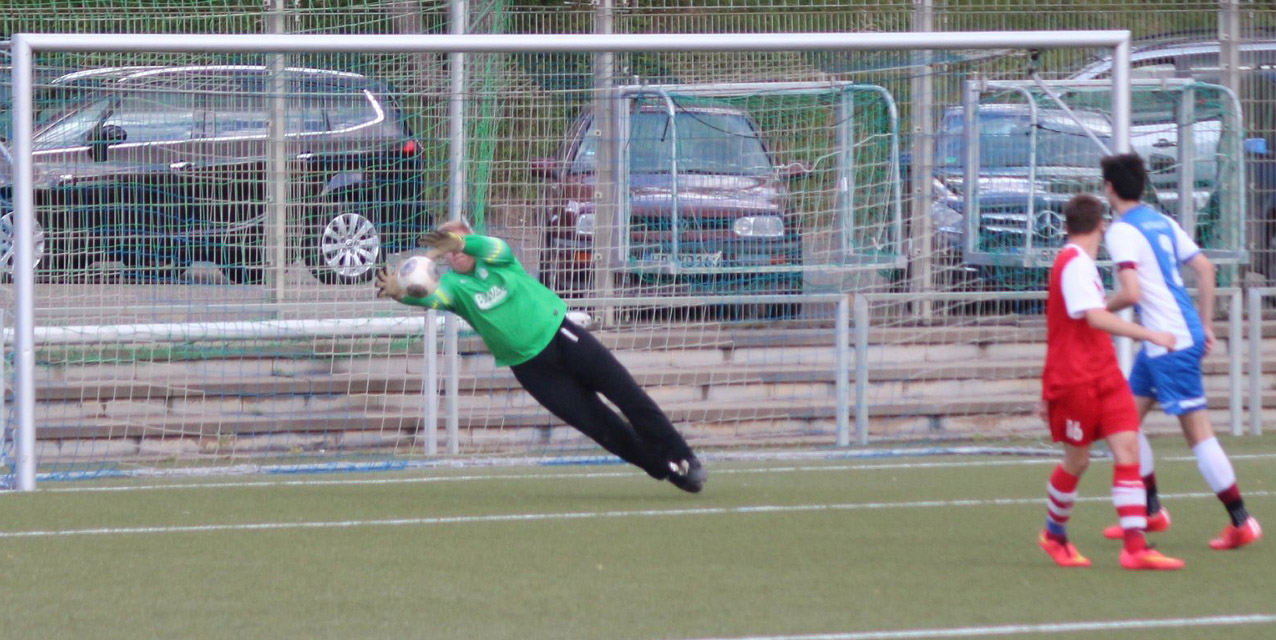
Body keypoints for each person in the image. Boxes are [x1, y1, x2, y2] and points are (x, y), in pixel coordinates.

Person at [375, 219, 707, 493]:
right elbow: (431, 296)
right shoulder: (457, 288)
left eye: (457, 245)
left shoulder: (499, 259)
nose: (454, 255)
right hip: (532, 369)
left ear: (468, 241)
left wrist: (461, 243)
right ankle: (665, 469)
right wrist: (402, 293)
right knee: (601, 427)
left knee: (628, 396)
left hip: (564, 337)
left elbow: (495, 247)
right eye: (448, 250)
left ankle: (685, 456)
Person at [1098, 152, 1261, 550]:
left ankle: (1242, 521)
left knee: (1198, 434)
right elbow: (1204, 268)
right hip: (1165, 339)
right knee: (1122, 423)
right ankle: (1151, 512)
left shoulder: (1121, 231)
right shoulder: (1162, 220)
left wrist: (1096, 310)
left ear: (1109, 189)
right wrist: (1204, 323)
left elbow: (1131, 292)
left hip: (1169, 341)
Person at [1037, 193, 1184, 570]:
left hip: (1104, 375)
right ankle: (1054, 535)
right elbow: (1095, 318)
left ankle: (1135, 548)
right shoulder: (1071, 263)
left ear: (1067, 225)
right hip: (1075, 380)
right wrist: (1149, 333)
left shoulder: (1081, 263)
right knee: (1078, 461)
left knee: (1128, 450)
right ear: (1101, 225)